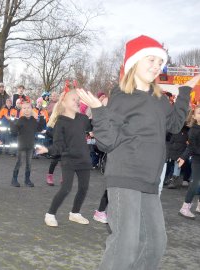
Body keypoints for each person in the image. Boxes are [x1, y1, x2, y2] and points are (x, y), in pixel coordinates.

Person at [77, 35, 199, 269]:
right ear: (134, 63)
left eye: (159, 61)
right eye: (150, 60)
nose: (156, 66)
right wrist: (97, 110)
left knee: (155, 243)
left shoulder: (159, 99)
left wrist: (185, 91)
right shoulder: (122, 98)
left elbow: (174, 125)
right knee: (126, 244)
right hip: (125, 177)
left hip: (151, 180)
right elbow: (107, 142)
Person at [37, 90, 92, 225]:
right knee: (66, 188)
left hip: (84, 159)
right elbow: (58, 146)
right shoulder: (60, 122)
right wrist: (47, 149)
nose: (77, 101)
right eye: (73, 99)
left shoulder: (83, 118)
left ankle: (75, 213)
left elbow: (94, 128)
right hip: (69, 160)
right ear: (64, 102)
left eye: (78, 99)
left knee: (84, 188)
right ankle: (50, 214)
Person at [10, 98, 45, 187]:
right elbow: (14, 132)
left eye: (28, 108)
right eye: (24, 108)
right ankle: (14, 179)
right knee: (19, 162)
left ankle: (27, 180)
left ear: (32, 109)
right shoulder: (20, 120)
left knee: (29, 164)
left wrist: (40, 118)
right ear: (21, 110)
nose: (26, 110)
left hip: (30, 145)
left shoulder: (33, 120)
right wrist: (12, 122)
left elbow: (40, 128)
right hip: (21, 146)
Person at [177, 104, 200, 219]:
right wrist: (183, 157)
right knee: (195, 183)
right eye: (199, 113)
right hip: (197, 160)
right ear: (194, 117)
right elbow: (191, 148)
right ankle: (185, 208)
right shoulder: (193, 131)